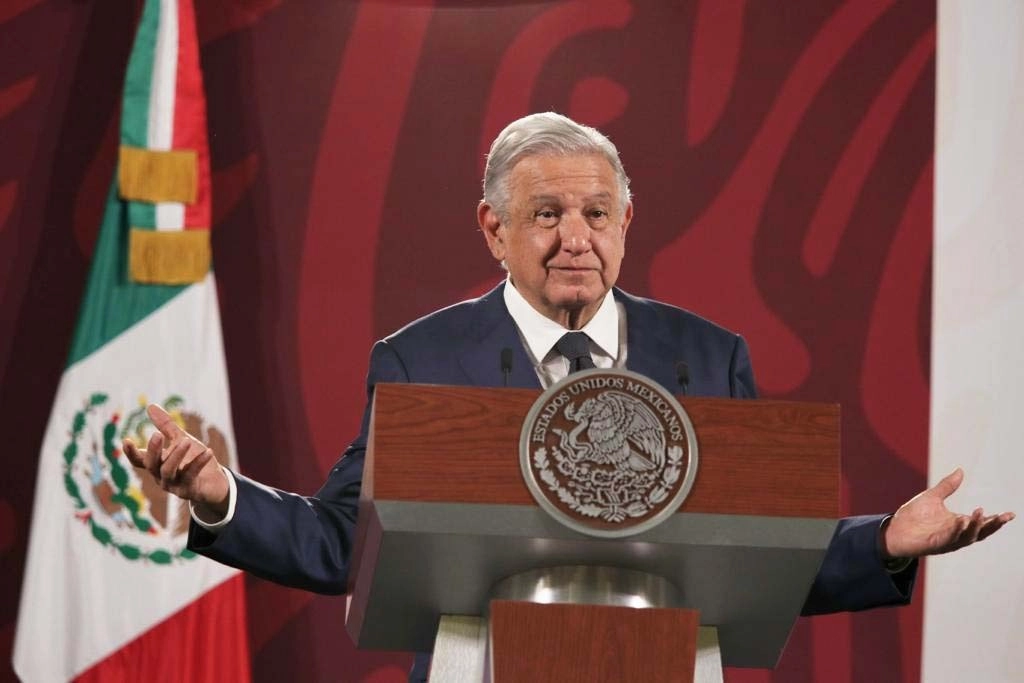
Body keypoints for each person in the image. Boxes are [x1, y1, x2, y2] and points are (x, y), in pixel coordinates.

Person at [125, 112, 1014, 677]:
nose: (575, 238)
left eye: (596, 213)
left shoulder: (709, 358)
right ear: (495, 228)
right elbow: (340, 541)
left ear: (626, 221)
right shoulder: (422, 359)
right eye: (546, 213)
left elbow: (765, 551)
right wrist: (219, 494)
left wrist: (884, 541)